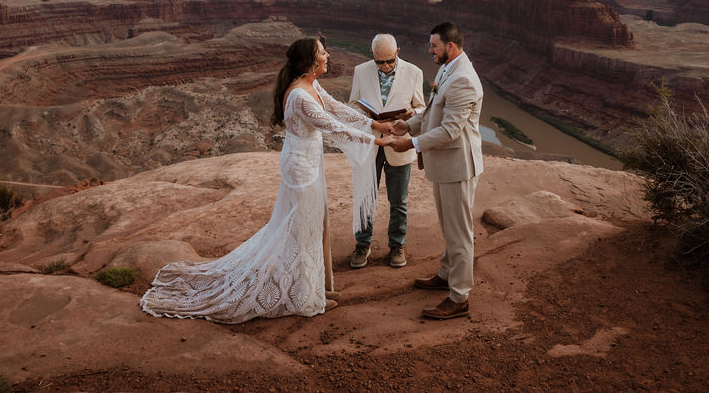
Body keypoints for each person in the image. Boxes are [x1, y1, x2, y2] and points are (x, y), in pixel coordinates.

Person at [140, 36, 396, 324]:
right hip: (301, 170)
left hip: (309, 164)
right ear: (311, 62)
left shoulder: (310, 84)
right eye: (323, 53)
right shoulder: (300, 95)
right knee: (301, 230)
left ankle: (313, 290)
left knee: (310, 227)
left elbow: (336, 108)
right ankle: (303, 298)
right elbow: (332, 127)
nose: (328, 56)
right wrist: (379, 142)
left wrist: (375, 124)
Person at [389, 22, 483, 320]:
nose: (430, 50)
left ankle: (459, 296)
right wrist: (410, 124)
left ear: (450, 47)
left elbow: (451, 130)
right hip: (445, 165)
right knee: (449, 227)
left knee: (459, 234)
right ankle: (445, 274)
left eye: (434, 46)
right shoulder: (448, 69)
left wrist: (412, 143)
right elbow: (433, 111)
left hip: (457, 166)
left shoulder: (464, 79)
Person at [347, 33, 426, 269]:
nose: (385, 66)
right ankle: (363, 244)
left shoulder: (414, 72)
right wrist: (370, 121)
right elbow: (352, 105)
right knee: (365, 198)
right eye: (380, 61)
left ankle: (396, 246)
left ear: (398, 52)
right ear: (372, 56)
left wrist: (411, 116)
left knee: (398, 200)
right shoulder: (361, 71)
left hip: (399, 143)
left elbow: (422, 107)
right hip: (369, 144)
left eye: (390, 60)